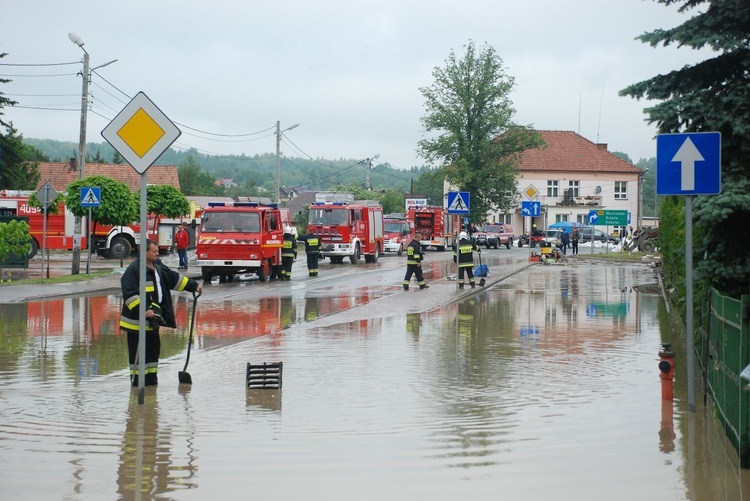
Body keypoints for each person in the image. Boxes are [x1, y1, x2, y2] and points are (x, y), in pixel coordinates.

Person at [120, 239, 203, 387]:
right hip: (137, 324)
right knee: (139, 356)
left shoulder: (158, 266)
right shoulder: (134, 271)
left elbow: (173, 278)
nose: (158, 253)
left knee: (153, 353)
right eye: (154, 251)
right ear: (144, 252)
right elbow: (129, 294)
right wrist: (144, 310)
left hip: (153, 321)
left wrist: (194, 286)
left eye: (157, 251)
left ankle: (152, 384)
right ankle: (138, 385)